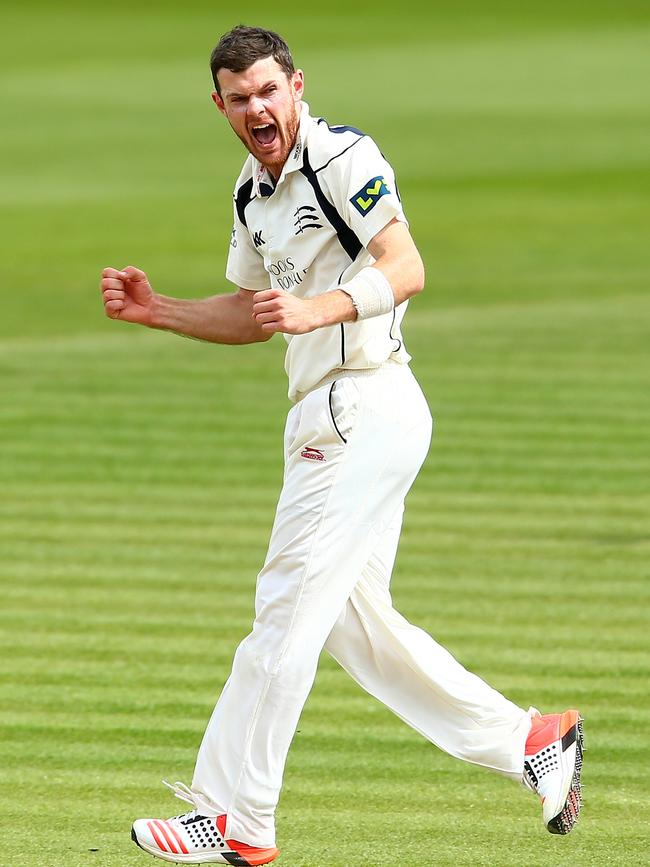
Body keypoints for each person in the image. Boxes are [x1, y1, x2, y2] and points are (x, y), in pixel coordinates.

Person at [100, 25, 584, 866]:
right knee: (353, 626)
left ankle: (236, 816)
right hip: (332, 414)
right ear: (220, 106)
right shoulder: (254, 194)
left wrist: (319, 312)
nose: (257, 108)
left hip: (361, 405)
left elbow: (405, 266)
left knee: (285, 608)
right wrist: (161, 310)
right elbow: (256, 309)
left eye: (268, 90)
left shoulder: (341, 159)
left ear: (296, 85)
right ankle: (532, 738)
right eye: (239, 97)